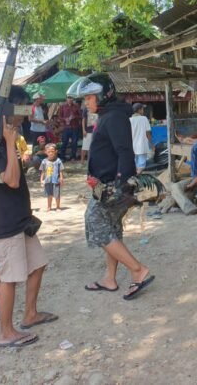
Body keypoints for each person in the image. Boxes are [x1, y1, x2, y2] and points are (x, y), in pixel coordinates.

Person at [0, 85, 57, 349]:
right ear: (7, 110)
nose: (26, 114)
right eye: (22, 108)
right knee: (10, 277)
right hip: (4, 223)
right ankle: (5, 332)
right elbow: (10, 180)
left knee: (38, 264)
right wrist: (11, 144)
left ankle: (30, 314)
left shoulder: (7, 137)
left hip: (20, 220)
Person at [69, 74, 155, 300]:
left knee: (95, 221)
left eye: (88, 97)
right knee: (112, 227)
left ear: (102, 95)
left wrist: (120, 184)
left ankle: (138, 271)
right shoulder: (110, 115)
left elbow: (124, 151)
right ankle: (110, 278)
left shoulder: (114, 116)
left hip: (113, 185)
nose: (86, 103)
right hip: (106, 184)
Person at [40, 143, 64, 211]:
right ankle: (49, 206)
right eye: (49, 152)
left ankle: (58, 207)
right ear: (45, 152)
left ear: (56, 151)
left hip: (56, 180)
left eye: (52, 151)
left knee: (57, 195)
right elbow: (43, 171)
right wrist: (41, 180)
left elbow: (60, 171)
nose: (51, 153)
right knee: (49, 194)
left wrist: (61, 179)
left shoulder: (58, 161)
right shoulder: (44, 161)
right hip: (47, 181)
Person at [129, 102, 152, 174]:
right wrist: (151, 143)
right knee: (141, 166)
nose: (143, 111)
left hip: (132, 146)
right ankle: (136, 177)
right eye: (142, 109)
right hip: (142, 146)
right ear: (139, 110)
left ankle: (134, 178)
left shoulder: (129, 120)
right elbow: (148, 133)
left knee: (134, 165)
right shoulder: (144, 119)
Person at [59, 95, 82, 162]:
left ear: (73, 99)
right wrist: (65, 119)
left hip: (75, 127)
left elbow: (81, 116)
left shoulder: (76, 106)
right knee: (64, 142)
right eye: (69, 98)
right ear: (66, 99)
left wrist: (75, 116)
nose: (70, 99)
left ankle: (73, 157)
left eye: (71, 98)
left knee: (74, 143)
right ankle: (62, 157)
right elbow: (59, 117)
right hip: (66, 127)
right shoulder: (62, 106)